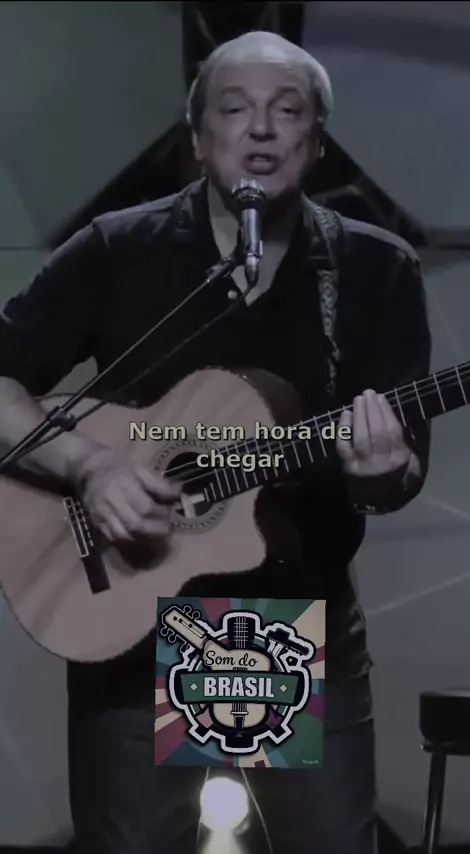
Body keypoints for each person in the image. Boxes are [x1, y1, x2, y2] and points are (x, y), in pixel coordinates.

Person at [0, 31, 431, 854]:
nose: (261, 130)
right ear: (199, 139)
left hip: (296, 620)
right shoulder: (119, 248)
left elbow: (400, 473)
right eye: (235, 110)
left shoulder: (376, 269)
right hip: (132, 615)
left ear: (317, 140)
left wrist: (381, 473)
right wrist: (89, 466)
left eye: (287, 111)